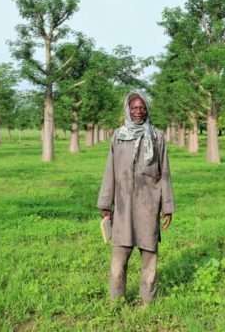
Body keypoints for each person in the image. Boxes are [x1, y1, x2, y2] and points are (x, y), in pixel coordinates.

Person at [97, 91, 174, 304]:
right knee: (117, 262)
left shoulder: (157, 137)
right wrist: (106, 203)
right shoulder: (118, 136)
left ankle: (147, 303)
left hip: (149, 206)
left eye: (142, 108)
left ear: (147, 110)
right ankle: (116, 302)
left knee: (149, 259)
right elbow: (109, 171)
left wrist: (167, 206)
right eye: (134, 108)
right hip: (122, 208)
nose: (138, 111)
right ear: (127, 110)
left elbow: (165, 172)